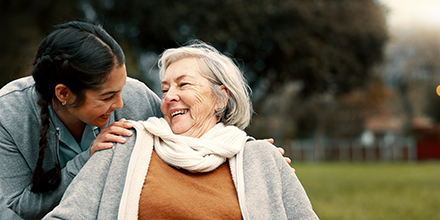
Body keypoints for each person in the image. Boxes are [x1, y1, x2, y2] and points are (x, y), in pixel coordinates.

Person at [43, 40, 319, 219]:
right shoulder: (124, 144)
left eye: (183, 85)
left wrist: (269, 166)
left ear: (221, 97)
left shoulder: (261, 158)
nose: (169, 96)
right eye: (164, 89)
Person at [0, 21, 162, 219]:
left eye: (121, 89)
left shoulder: (137, 97)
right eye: (107, 97)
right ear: (63, 93)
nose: (120, 104)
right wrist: (90, 157)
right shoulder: (8, 113)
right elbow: (22, 206)